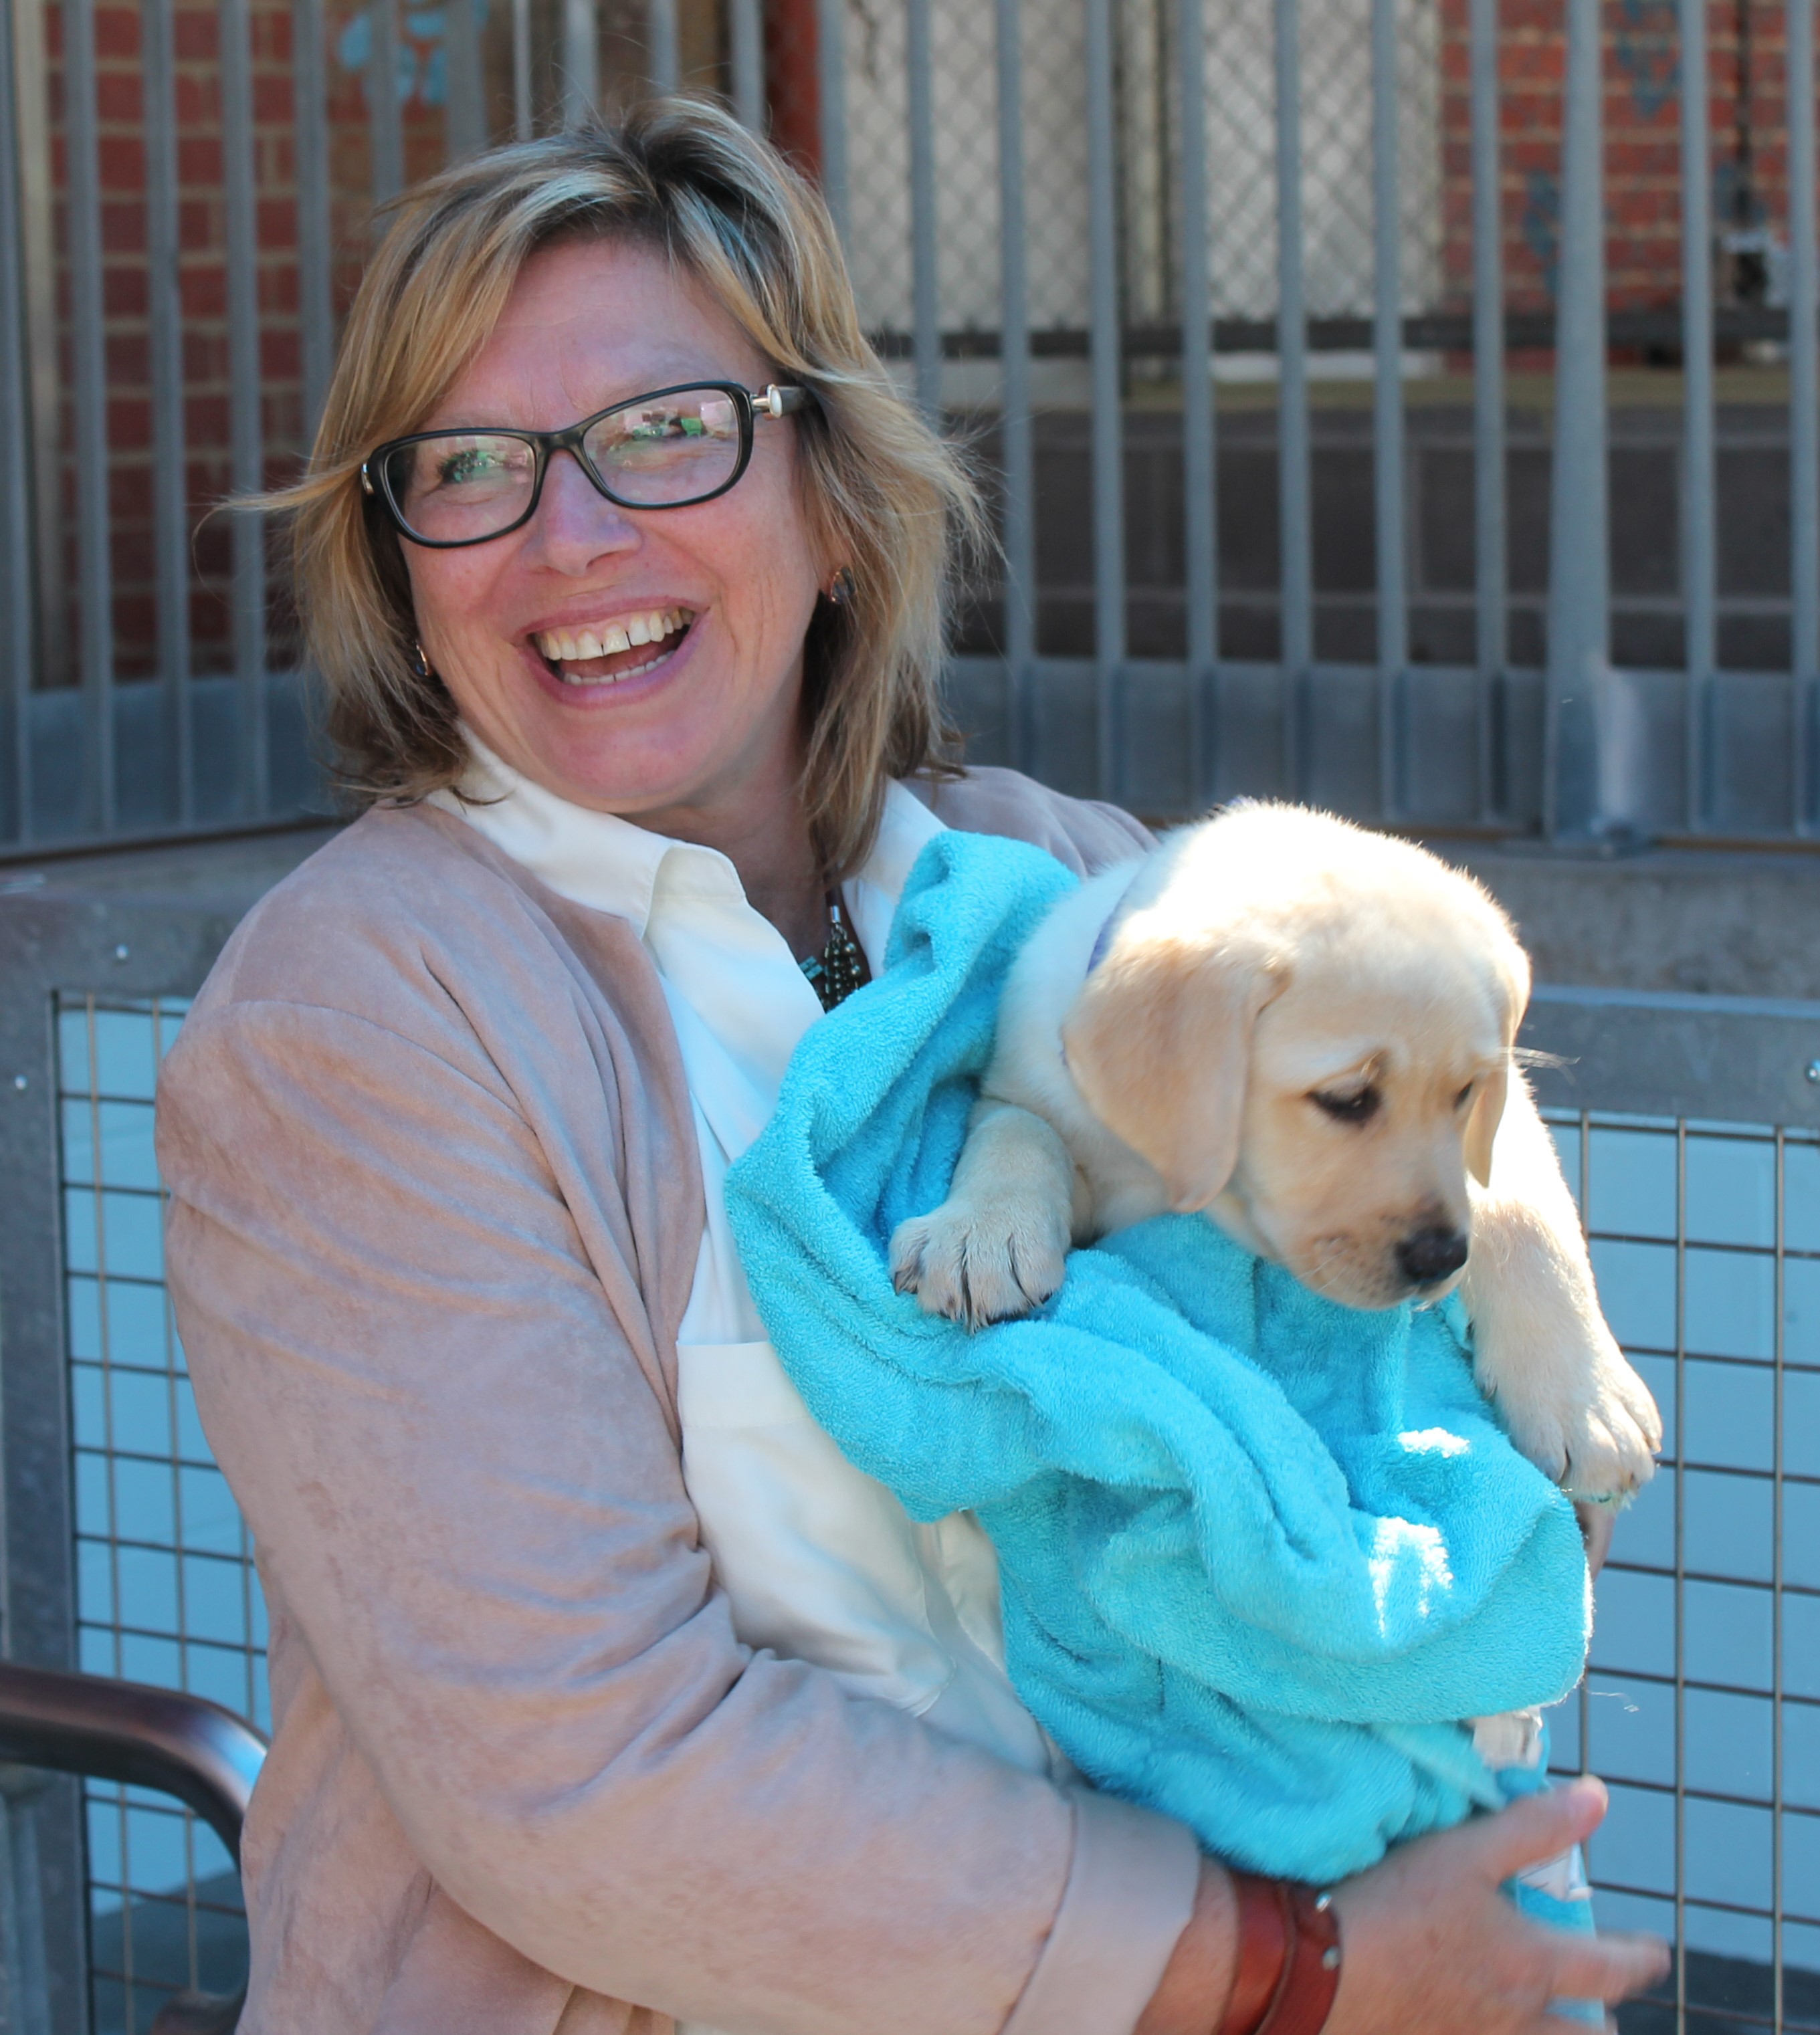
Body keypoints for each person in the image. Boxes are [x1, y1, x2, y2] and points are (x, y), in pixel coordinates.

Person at [156, 101, 1667, 2035]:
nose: (570, 535)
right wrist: (1287, 1965)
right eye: (464, 465)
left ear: (830, 483)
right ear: (400, 558)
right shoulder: (361, 1019)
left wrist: (1527, 1320)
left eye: (664, 431)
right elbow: (593, 1776)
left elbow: (1433, 1170)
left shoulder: (1077, 878)